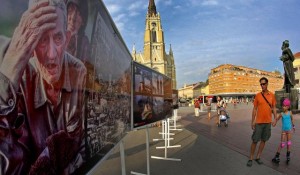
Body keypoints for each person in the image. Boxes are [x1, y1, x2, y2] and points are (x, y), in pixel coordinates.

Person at [0, 0, 86, 174]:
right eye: (42, 40)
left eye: (58, 38)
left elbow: (82, 144)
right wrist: (5, 82)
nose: (52, 54)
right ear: (30, 43)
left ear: (67, 38)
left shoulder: (78, 71)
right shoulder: (21, 81)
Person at [246, 77, 277, 167]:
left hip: (268, 122)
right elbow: (255, 109)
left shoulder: (272, 95)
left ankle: (258, 157)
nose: (262, 86)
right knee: (255, 140)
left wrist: (275, 118)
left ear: (267, 84)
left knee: (264, 140)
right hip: (259, 122)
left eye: (263, 84)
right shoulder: (258, 96)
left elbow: (274, 108)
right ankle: (251, 158)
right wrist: (252, 121)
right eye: (261, 84)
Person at [272, 98, 295, 164]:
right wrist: (274, 123)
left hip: (289, 131)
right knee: (282, 144)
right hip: (284, 131)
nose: (283, 107)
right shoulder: (281, 114)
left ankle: (288, 156)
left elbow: (292, 119)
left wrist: (293, 126)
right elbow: (277, 119)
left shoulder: (290, 113)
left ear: (288, 107)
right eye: (283, 105)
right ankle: (277, 156)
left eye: (284, 106)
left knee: (289, 143)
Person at [66, 0, 90, 64]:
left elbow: (83, 69)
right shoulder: (56, 29)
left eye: (79, 14)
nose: (73, 18)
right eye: (70, 11)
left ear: (83, 21)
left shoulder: (84, 42)